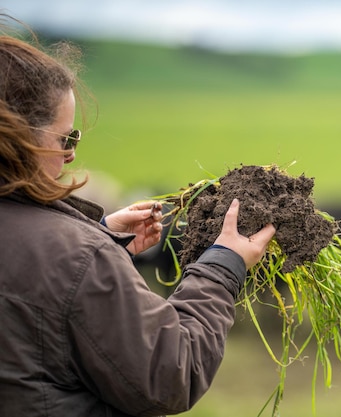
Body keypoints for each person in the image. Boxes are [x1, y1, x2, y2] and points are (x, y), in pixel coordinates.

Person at [0, 14, 276, 417]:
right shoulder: (79, 259)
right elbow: (170, 375)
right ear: (19, 136)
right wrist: (223, 266)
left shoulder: (73, 253)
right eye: (66, 137)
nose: (73, 152)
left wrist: (98, 235)